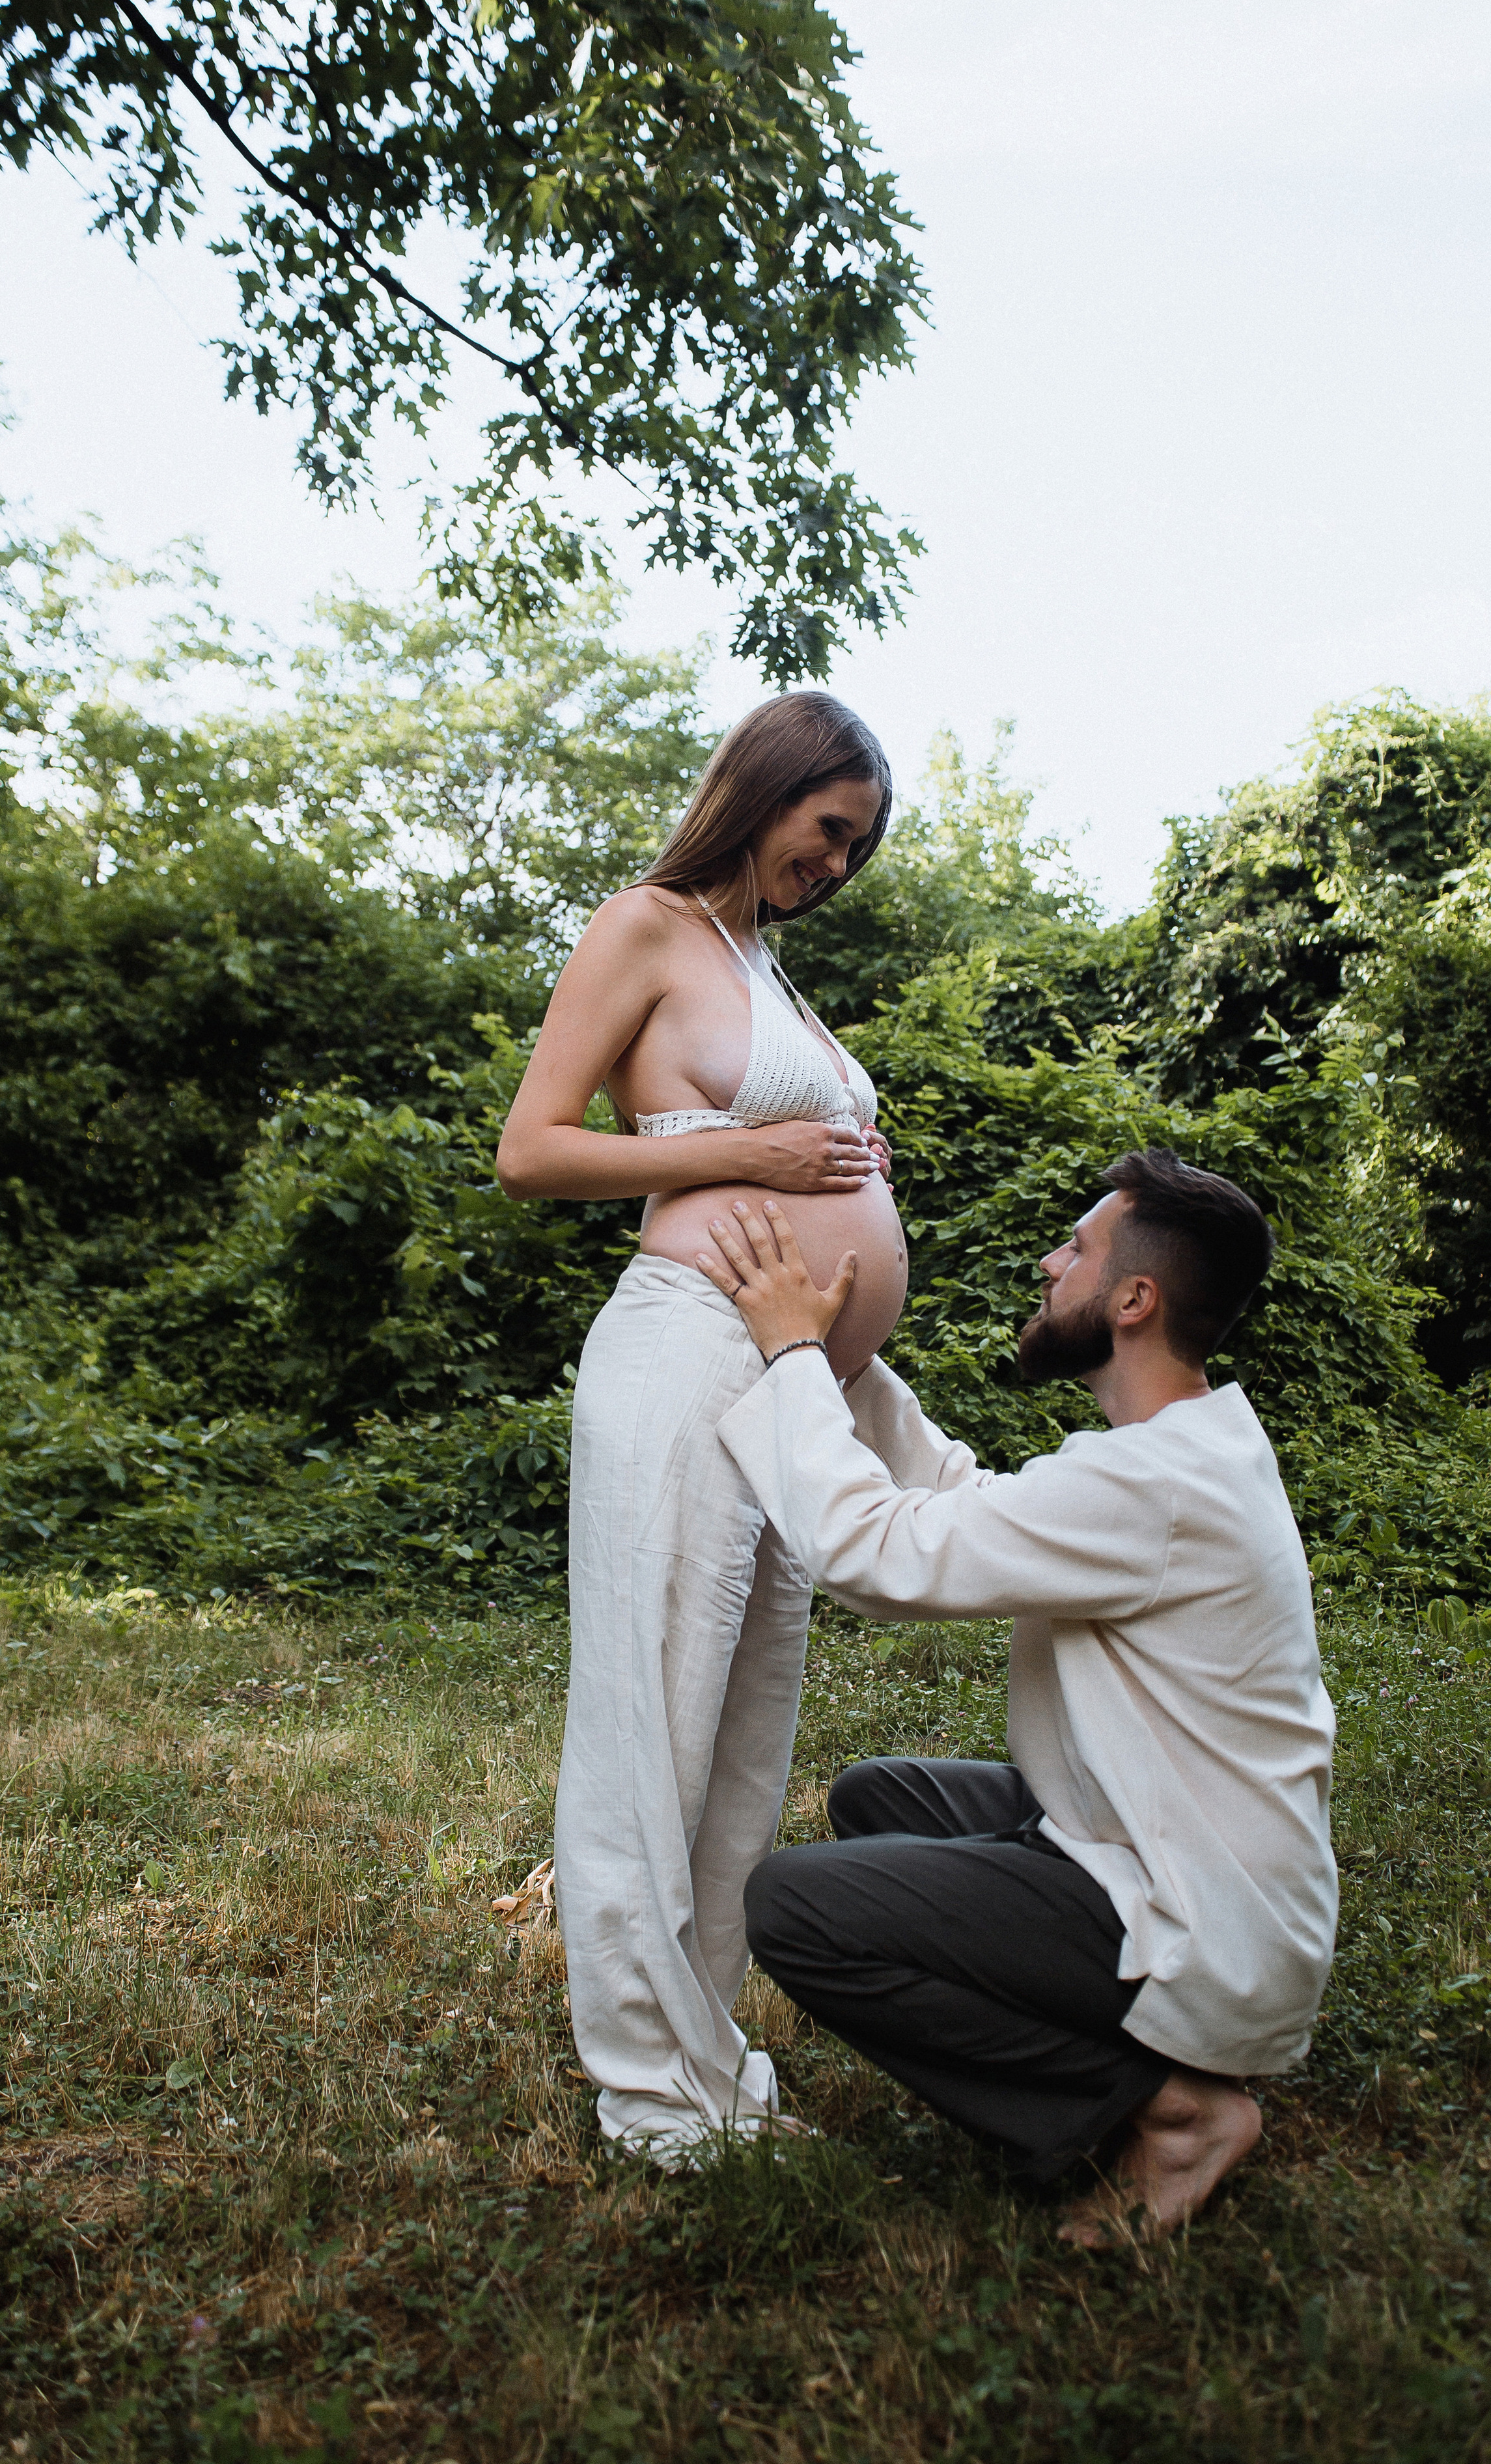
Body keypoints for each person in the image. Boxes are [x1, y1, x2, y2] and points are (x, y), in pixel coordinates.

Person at [693, 1146, 1338, 2241]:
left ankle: (1164, 2106)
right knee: (879, 1796)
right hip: (1157, 1843)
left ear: (1134, 1299)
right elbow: (971, 1500)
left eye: (1077, 1248)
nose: (1051, 1263)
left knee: (792, 1909)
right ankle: (1125, 2051)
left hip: (1203, 1921)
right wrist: (847, 1369)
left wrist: (794, 1352)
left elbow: (875, 1557)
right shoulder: (1174, 1453)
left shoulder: (1154, 1481)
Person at [495, 691, 908, 2165]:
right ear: (768, 787)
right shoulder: (648, 925)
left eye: (858, 848)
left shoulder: (764, 967)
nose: (839, 865)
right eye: (828, 830)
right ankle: (649, 2088)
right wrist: (752, 1150)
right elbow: (530, 1149)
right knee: (648, 1725)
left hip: (783, 1384)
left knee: (744, 1732)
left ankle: (706, 2043)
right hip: (679, 1361)